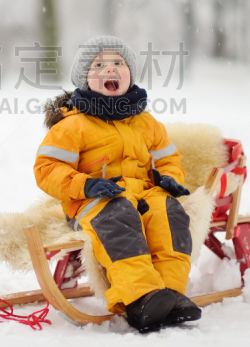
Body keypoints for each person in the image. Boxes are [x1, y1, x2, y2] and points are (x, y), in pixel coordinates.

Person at [33, 35, 201, 333]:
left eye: (118, 63)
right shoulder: (73, 125)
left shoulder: (146, 122)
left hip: (143, 194)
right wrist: (85, 185)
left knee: (169, 213)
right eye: (98, 65)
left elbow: (168, 159)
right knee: (118, 217)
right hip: (93, 202)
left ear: (129, 75)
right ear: (85, 79)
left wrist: (169, 180)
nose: (110, 69)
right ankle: (140, 298)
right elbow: (47, 169)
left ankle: (172, 293)